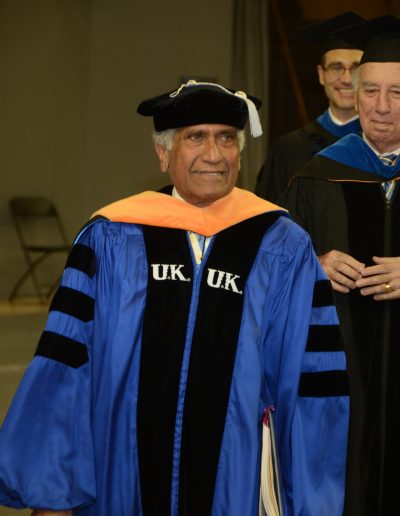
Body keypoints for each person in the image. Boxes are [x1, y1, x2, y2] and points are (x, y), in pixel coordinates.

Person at [0, 80, 349, 516]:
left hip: (236, 481)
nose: (214, 154)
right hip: (119, 476)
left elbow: (311, 382)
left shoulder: (281, 244)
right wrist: (53, 491)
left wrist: (312, 501)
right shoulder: (111, 236)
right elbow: (65, 366)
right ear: (163, 153)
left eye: (226, 138)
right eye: (195, 137)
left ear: (241, 154)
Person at [280, 15, 400, 516]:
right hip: (340, 385)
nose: (381, 106)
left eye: (397, 92)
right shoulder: (316, 176)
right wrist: (311, 264)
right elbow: (269, 273)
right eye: (370, 90)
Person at [255, 12, 364, 202]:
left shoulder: (384, 148)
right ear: (321, 75)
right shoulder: (289, 149)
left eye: (355, 68)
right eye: (336, 67)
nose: (347, 79)